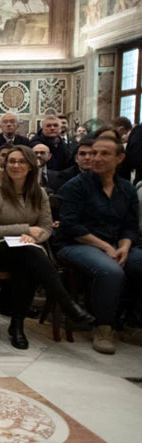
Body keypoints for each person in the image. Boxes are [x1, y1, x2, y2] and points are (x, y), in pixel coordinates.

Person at [0, 146, 94, 349]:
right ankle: (66, 305)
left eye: (22, 161)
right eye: (12, 161)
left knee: (27, 265)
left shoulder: (39, 193)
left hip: (28, 247)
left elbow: (46, 227)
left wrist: (35, 237)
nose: (16, 165)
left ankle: (17, 326)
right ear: (5, 165)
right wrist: (26, 229)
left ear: (30, 166)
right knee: (30, 257)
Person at [56, 137, 142, 354]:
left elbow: (130, 226)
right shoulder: (75, 186)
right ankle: (103, 327)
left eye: (104, 154)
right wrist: (105, 247)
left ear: (119, 158)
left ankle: (134, 322)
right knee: (109, 270)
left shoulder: (126, 190)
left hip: (116, 245)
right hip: (76, 245)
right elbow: (72, 226)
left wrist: (123, 246)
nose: (95, 158)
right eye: (93, 153)